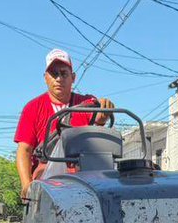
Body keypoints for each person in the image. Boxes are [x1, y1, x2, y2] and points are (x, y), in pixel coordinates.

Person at [14, 48, 114, 197]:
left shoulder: (87, 104)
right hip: (46, 180)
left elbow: (98, 122)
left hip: (83, 177)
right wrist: (26, 186)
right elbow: (24, 150)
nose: (59, 78)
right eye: (54, 74)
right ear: (45, 78)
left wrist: (103, 115)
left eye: (63, 73)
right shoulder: (32, 108)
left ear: (73, 77)